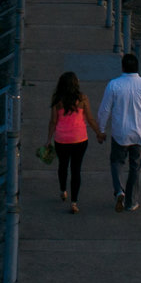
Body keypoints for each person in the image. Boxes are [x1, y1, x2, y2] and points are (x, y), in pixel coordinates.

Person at [95, 52, 141, 212]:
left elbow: (104, 110)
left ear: (123, 67)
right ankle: (131, 201)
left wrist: (101, 130)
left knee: (117, 162)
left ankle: (119, 190)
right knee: (135, 167)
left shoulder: (114, 85)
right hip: (140, 133)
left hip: (120, 133)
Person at [49, 71, 98, 212]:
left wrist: (48, 139)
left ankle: (63, 190)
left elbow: (53, 121)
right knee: (76, 170)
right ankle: (74, 203)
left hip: (61, 139)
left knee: (63, 166)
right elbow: (90, 119)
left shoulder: (57, 99)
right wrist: (99, 133)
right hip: (79, 139)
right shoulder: (82, 98)